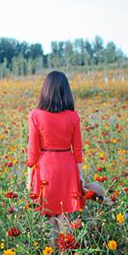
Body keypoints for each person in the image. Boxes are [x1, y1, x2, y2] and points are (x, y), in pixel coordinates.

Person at [25, 71, 86, 241]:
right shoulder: (73, 116)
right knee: (65, 216)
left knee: (48, 215)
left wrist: (29, 177)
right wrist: (79, 176)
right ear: (66, 91)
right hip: (67, 167)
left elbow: (33, 149)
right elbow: (78, 150)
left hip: (46, 169)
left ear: (45, 91)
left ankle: (52, 254)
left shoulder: (35, 115)